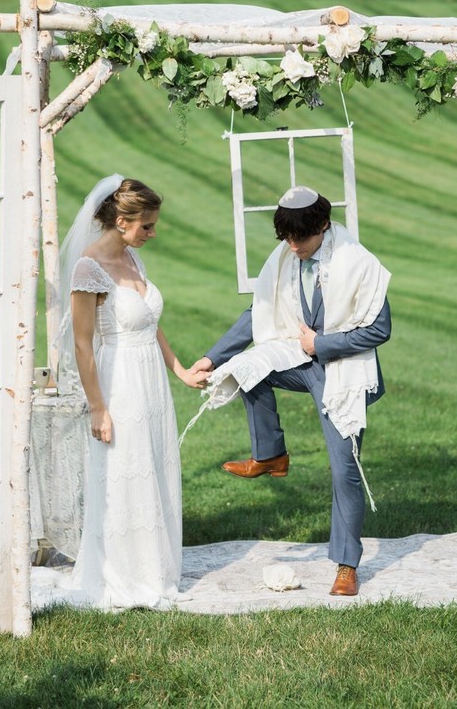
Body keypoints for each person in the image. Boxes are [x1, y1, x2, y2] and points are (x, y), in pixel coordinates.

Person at [190, 186, 391, 597]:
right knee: (246, 368)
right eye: (286, 238)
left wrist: (322, 345)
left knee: (344, 469)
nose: (293, 246)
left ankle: (347, 565)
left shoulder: (358, 262)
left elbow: (378, 329)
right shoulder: (285, 257)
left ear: (323, 224)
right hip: (301, 361)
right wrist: (211, 359)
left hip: (343, 371)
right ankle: (270, 455)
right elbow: (257, 313)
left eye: (301, 238)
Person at [47, 174, 206, 610]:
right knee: (126, 472)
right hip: (119, 385)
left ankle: (156, 566)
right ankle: (126, 573)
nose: (153, 234)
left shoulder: (135, 261)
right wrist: (98, 408)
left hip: (151, 381)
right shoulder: (88, 268)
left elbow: (150, 325)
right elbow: (82, 344)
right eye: (147, 226)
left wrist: (180, 371)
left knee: (154, 466)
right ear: (121, 221)